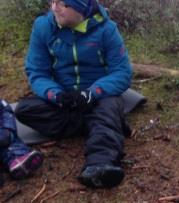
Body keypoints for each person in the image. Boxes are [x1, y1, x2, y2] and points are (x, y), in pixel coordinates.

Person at [15, 0, 132, 188]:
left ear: (79, 6)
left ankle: (100, 164)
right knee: (25, 110)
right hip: (65, 99)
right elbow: (37, 72)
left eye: (62, 3)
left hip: (98, 96)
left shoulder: (106, 29)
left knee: (109, 107)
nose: (54, 8)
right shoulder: (43, 27)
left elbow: (122, 72)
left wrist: (92, 93)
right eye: (52, 1)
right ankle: (96, 125)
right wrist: (56, 95)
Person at [0, 99, 43, 186]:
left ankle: (19, 161)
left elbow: (6, 112)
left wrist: (8, 129)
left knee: (12, 145)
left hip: (3, 135)